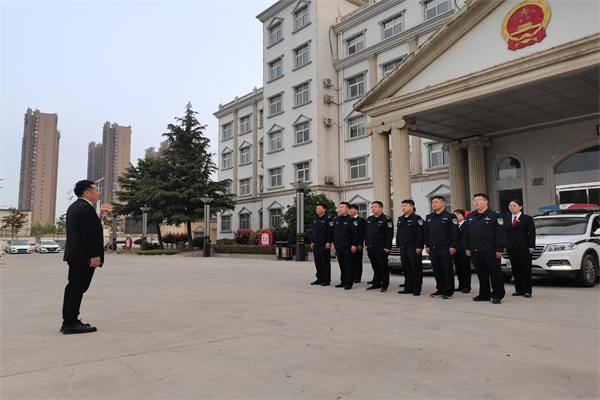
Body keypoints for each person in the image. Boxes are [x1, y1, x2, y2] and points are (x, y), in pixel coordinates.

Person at [61, 180, 104, 334]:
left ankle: (68, 321)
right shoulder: (86, 208)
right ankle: (71, 323)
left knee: (73, 288)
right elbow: (89, 234)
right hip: (83, 257)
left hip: (74, 255)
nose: (99, 193)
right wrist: (95, 255)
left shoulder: (73, 207)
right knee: (77, 289)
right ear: (87, 193)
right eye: (96, 190)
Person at [463, 193, 507, 304]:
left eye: (478, 200)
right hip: (475, 250)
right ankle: (484, 294)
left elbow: (500, 233)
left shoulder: (495, 215)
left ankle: (497, 294)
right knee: (481, 273)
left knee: (495, 273)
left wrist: (499, 248)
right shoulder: (471, 216)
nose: (476, 202)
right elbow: (467, 233)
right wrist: (467, 247)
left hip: (490, 250)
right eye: (474, 200)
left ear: (486, 201)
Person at [425, 196, 457, 299]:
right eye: (432, 202)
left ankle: (448, 291)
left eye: (436, 202)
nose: (434, 204)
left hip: (445, 248)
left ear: (443, 203)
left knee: (447, 270)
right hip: (433, 248)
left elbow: (454, 233)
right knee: (437, 270)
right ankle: (440, 289)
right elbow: (427, 232)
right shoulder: (430, 217)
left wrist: (453, 246)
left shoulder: (450, 216)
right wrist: (427, 245)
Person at [505, 199, 536, 298]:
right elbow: (505, 233)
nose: (511, 207)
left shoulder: (527, 218)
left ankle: (527, 290)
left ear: (520, 207)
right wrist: (505, 245)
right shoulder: (507, 219)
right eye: (510, 206)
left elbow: (532, 233)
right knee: (515, 268)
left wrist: (531, 246)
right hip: (511, 247)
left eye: (514, 205)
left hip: (524, 247)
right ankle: (519, 290)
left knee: (525, 268)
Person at [396, 199, 424, 296]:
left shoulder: (416, 219)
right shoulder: (401, 219)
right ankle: (408, 287)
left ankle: (416, 288)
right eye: (402, 206)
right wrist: (398, 244)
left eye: (406, 205)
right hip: (403, 247)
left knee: (415, 268)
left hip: (413, 247)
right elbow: (399, 233)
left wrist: (419, 246)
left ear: (412, 207)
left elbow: (420, 234)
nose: (403, 207)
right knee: (406, 268)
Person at [364, 201, 393, 292]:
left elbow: (389, 234)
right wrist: (366, 244)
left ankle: (384, 284)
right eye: (372, 207)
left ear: (381, 208)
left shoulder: (386, 219)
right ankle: (376, 284)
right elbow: (367, 233)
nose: (373, 209)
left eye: (375, 207)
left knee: (383, 267)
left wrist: (388, 246)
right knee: (375, 266)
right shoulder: (370, 219)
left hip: (381, 247)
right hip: (371, 247)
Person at [332, 202, 358, 290]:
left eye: (342, 207)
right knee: (342, 264)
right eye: (339, 207)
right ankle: (343, 281)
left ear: (347, 209)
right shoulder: (337, 220)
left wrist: (354, 244)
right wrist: (334, 243)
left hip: (348, 246)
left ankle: (349, 282)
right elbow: (335, 233)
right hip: (339, 245)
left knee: (348, 264)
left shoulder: (351, 220)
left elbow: (355, 234)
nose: (340, 209)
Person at [310, 204, 334, 286]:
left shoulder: (328, 219)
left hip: (324, 244)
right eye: (317, 208)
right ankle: (320, 278)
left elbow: (330, 232)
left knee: (325, 262)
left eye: (319, 208)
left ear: (324, 209)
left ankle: (327, 279)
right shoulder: (315, 219)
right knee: (318, 262)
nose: (317, 210)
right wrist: (312, 241)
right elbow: (313, 231)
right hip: (316, 244)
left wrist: (329, 242)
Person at [453, 209, 471, 293]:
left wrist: (468, 247)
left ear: (463, 216)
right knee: (458, 268)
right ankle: (461, 285)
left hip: (464, 249)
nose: (456, 216)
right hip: (456, 249)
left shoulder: (466, 225)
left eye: (458, 214)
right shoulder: (454, 225)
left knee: (465, 268)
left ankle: (467, 286)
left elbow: (468, 237)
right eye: (455, 214)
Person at [349, 205, 366, 283]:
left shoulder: (361, 220)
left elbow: (361, 233)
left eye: (352, 209)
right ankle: (351, 276)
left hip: (357, 243)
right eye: (350, 209)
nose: (350, 211)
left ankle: (358, 277)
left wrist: (360, 243)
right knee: (351, 261)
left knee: (357, 260)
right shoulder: (349, 219)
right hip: (349, 243)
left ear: (357, 210)